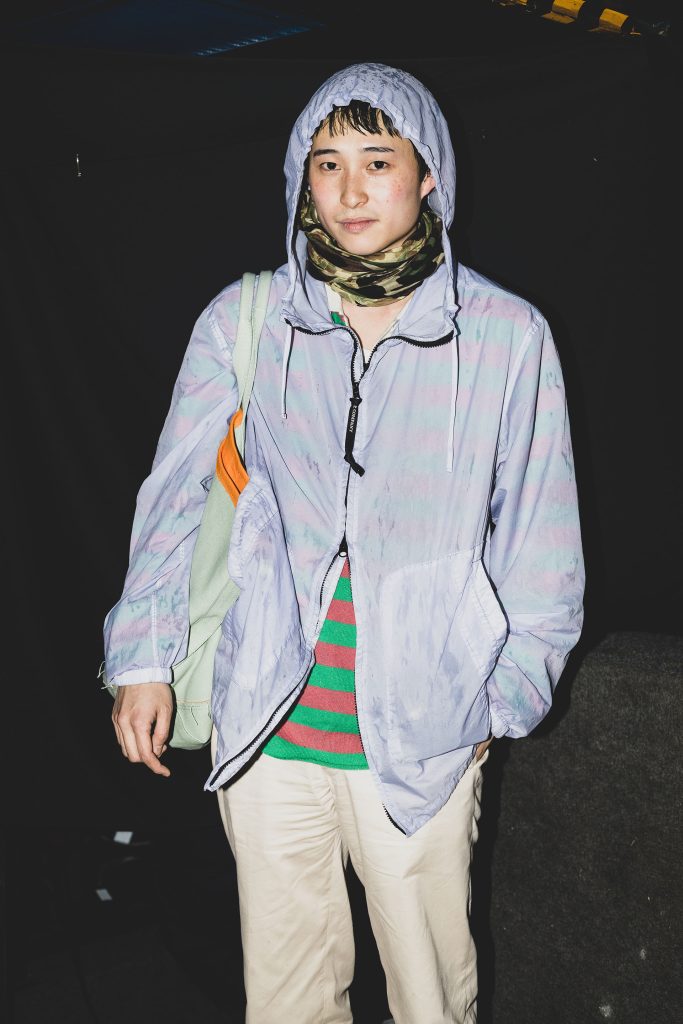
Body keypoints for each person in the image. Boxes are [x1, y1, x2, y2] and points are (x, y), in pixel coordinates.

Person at [104, 62, 584, 1024]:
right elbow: (174, 500)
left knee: (429, 1003)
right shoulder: (248, 320)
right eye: (327, 164)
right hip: (268, 734)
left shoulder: (505, 337)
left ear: (428, 175)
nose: (352, 190)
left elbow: (543, 540)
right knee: (285, 1004)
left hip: (421, 745)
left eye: (378, 160)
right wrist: (143, 658)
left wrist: (496, 702)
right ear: (301, 180)